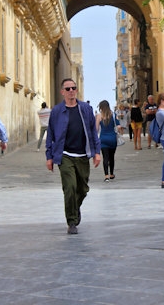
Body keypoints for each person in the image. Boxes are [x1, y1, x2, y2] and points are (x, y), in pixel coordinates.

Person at [45, 78, 101, 235]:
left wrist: (97, 152)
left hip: (83, 155)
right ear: (62, 91)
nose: (71, 91)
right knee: (70, 188)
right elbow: (50, 134)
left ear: (77, 90)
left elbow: (92, 132)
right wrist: (49, 156)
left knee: (82, 189)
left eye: (73, 88)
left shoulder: (85, 109)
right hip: (65, 155)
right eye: (68, 89)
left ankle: (74, 208)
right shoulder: (56, 111)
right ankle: (71, 221)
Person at [96, 100, 120, 181]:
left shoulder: (99, 116)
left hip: (103, 139)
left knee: (105, 157)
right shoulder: (113, 115)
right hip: (112, 138)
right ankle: (111, 174)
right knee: (111, 157)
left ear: (101, 107)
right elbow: (119, 126)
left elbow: (96, 129)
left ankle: (106, 176)